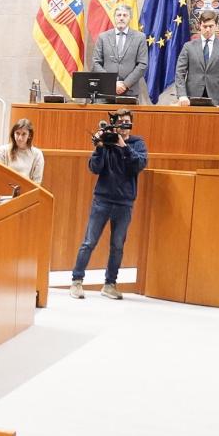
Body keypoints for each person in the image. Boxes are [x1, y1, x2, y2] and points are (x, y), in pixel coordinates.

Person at [70, 111, 148, 300]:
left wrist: (123, 146)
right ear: (114, 124)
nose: (123, 125)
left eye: (127, 122)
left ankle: (110, 284)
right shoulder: (106, 141)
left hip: (124, 202)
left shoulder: (137, 143)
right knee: (89, 242)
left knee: (117, 246)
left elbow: (139, 164)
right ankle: (76, 282)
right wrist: (99, 147)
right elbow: (95, 168)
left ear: (132, 124)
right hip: (102, 200)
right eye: (120, 122)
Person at [88, 3, 146, 101]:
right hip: (105, 91)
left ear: (130, 18)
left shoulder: (140, 37)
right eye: (119, 15)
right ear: (114, 17)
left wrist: (125, 84)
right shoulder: (103, 37)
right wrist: (111, 83)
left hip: (129, 92)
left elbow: (142, 64)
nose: (121, 18)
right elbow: (96, 63)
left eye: (125, 15)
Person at [175, 10, 219, 106]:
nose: (207, 29)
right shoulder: (188, 46)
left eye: (211, 26)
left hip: (216, 97)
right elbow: (180, 72)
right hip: (191, 97)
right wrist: (182, 95)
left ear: (216, 26)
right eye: (205, 26)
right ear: (199, 26)